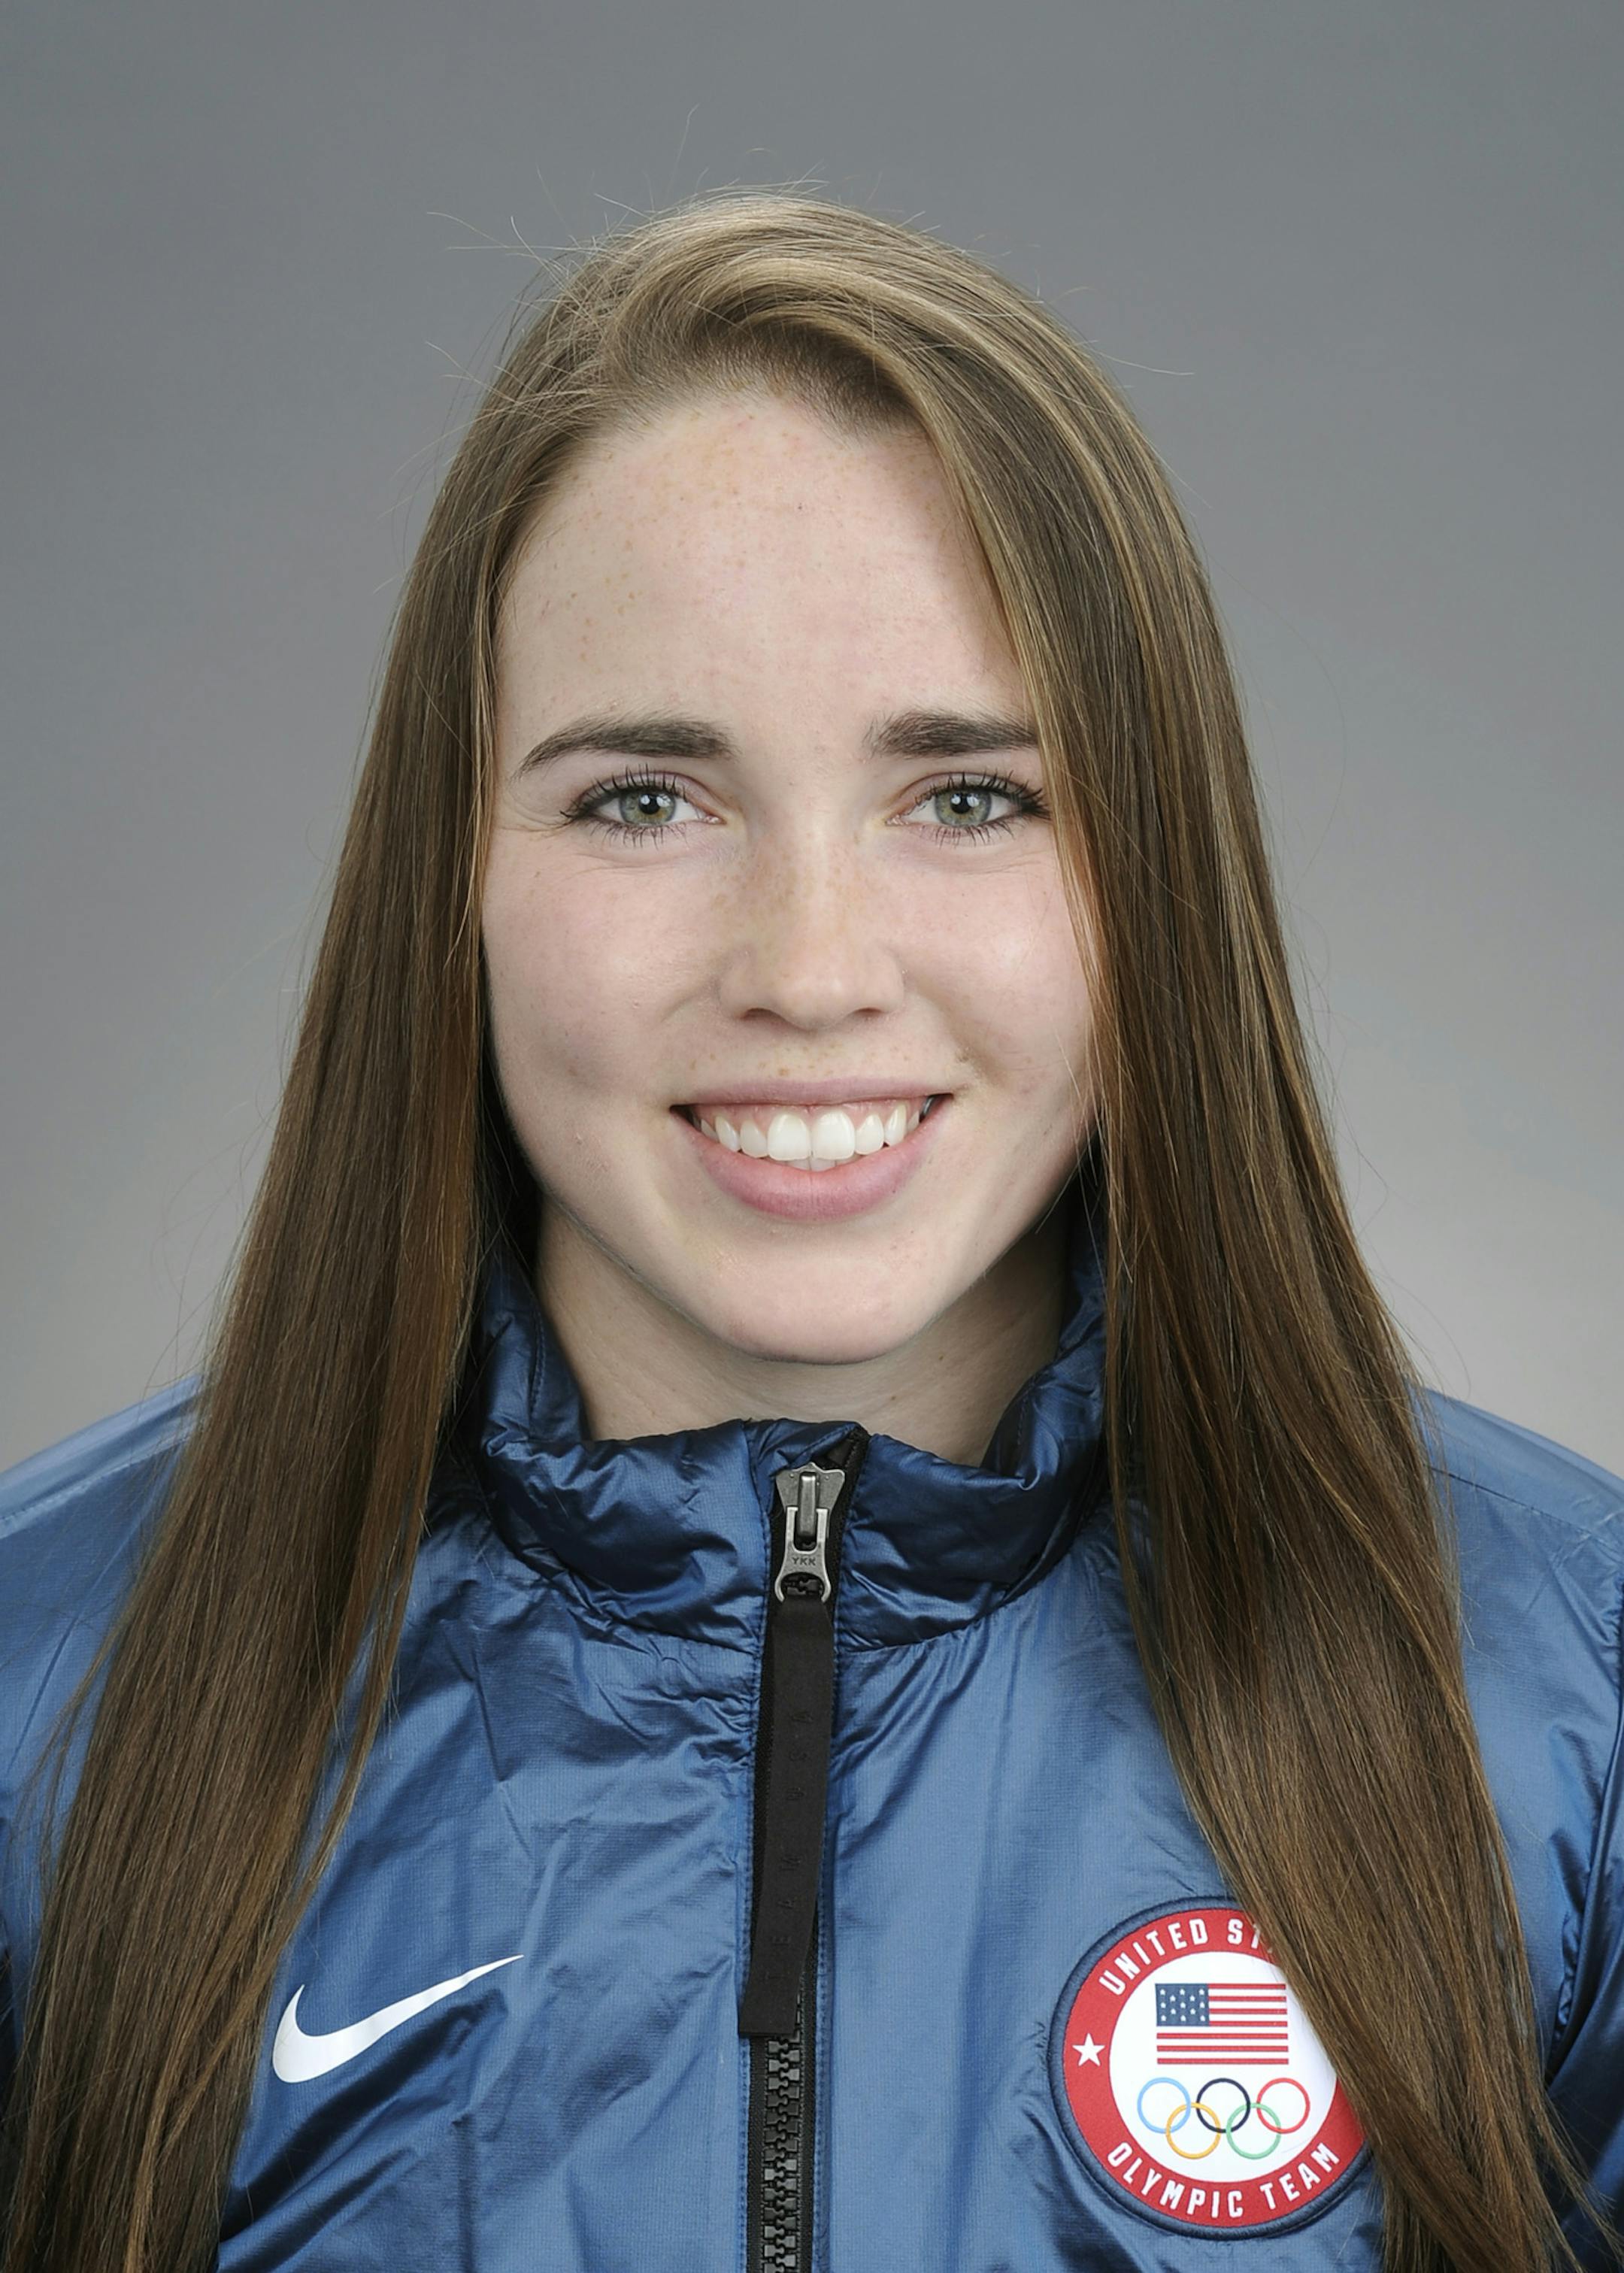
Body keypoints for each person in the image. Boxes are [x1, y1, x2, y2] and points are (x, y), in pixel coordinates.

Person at [0, 192, 1619, 2273]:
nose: (810, 968)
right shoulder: (45, 1695)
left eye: (969, 797)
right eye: (645, 799)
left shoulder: (1577, 1709)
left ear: (1156, 877)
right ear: (450, 876)